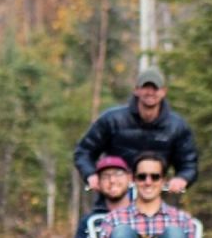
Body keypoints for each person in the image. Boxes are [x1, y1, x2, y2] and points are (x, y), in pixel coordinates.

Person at [74, 66, 199, 198]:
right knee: (92, 219)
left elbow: (189, 162)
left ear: (163, 91)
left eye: (155, 88)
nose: (150, 92)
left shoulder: (177, 126)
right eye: (145, 87)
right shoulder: (111, 120)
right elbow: (84, 151)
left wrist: (182, 178)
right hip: (113, 197)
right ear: (136, 90)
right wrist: (91, 175)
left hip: (155, 198)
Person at [68, 155, 132, 238]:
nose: (112, 180)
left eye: (118, 174)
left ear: (129, 178)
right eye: (105, 176)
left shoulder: (142, 217)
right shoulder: (91, 221)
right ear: (98, 183)